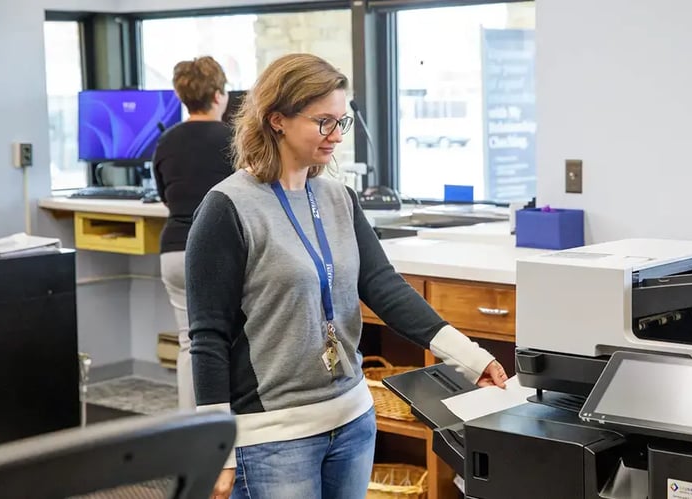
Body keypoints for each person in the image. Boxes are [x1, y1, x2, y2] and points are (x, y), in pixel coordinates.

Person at [185, 53, 509, 499]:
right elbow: (208, 338)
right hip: (274, 437)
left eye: (342, 122)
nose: (336, 135)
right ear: (276, 119)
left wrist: (474, 359)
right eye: (323, 122)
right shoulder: (227, 208)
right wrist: (217, 449)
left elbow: (386, 289)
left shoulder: (339, 198)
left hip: (353, 420)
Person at [152, 55, 233, 409]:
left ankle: (193, 433)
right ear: (218, 95)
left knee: (190, 343)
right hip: (219, 254)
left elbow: (165, 195)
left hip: (173, 252)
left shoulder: (166, 141)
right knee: (228, 342)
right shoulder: (235, 140)